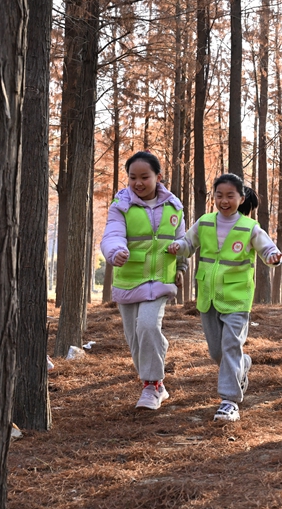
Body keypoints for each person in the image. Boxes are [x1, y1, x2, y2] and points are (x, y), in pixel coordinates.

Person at [168, 173, 282, 422]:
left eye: (230, 196)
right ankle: (242, 363)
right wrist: (179, 247)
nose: (224, 200)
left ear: (241, 198)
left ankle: (230, 401)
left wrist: (273, 255)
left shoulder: (249, 226)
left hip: (237, 297)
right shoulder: (205, 222)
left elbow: (267, 248)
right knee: (217, 353)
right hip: (208, 296)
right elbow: (188, 243)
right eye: (219, 195)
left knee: (230, 346)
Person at [101, 150, 187, 410]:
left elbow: (183, 240)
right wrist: (115, 252)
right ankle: (156, 355)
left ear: (158, 177)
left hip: (161, 279)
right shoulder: (121, 206)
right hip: (129, 280)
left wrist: (181, 265)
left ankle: (153, 386)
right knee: (135, 337)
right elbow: (112, 235)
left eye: (144, 177)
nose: (138, 183)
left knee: (148, 325)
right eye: (132, 178)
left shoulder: (174, 207)